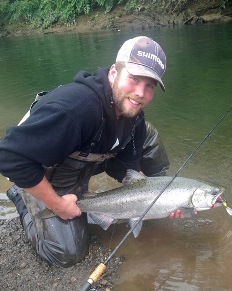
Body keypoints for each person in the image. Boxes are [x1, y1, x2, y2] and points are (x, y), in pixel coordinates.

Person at [0, 36, 170, 267]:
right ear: (113, 73)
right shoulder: (76, 110)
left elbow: (128, 167)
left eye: (149, 85)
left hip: (84, 155)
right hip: (40, 165)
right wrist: (58, 205)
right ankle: (21, 196)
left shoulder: (134, 117)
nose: (140, 92)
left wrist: (162, 200)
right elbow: (9, 157)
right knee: (67, 254)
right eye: (134, 79)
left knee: (149, 135)